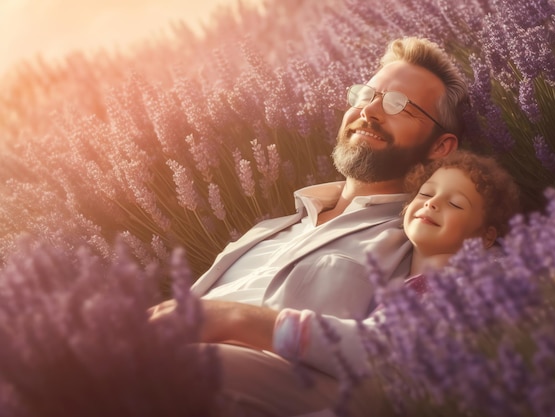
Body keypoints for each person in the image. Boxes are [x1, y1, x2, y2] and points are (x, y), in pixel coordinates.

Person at [150, 36, 468, 416]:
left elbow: (403, 353)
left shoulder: (423, 238)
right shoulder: (268, 230)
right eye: (366, 95)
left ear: (441, 146)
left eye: (399, 104)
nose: (370, 111)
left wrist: (238, 320)